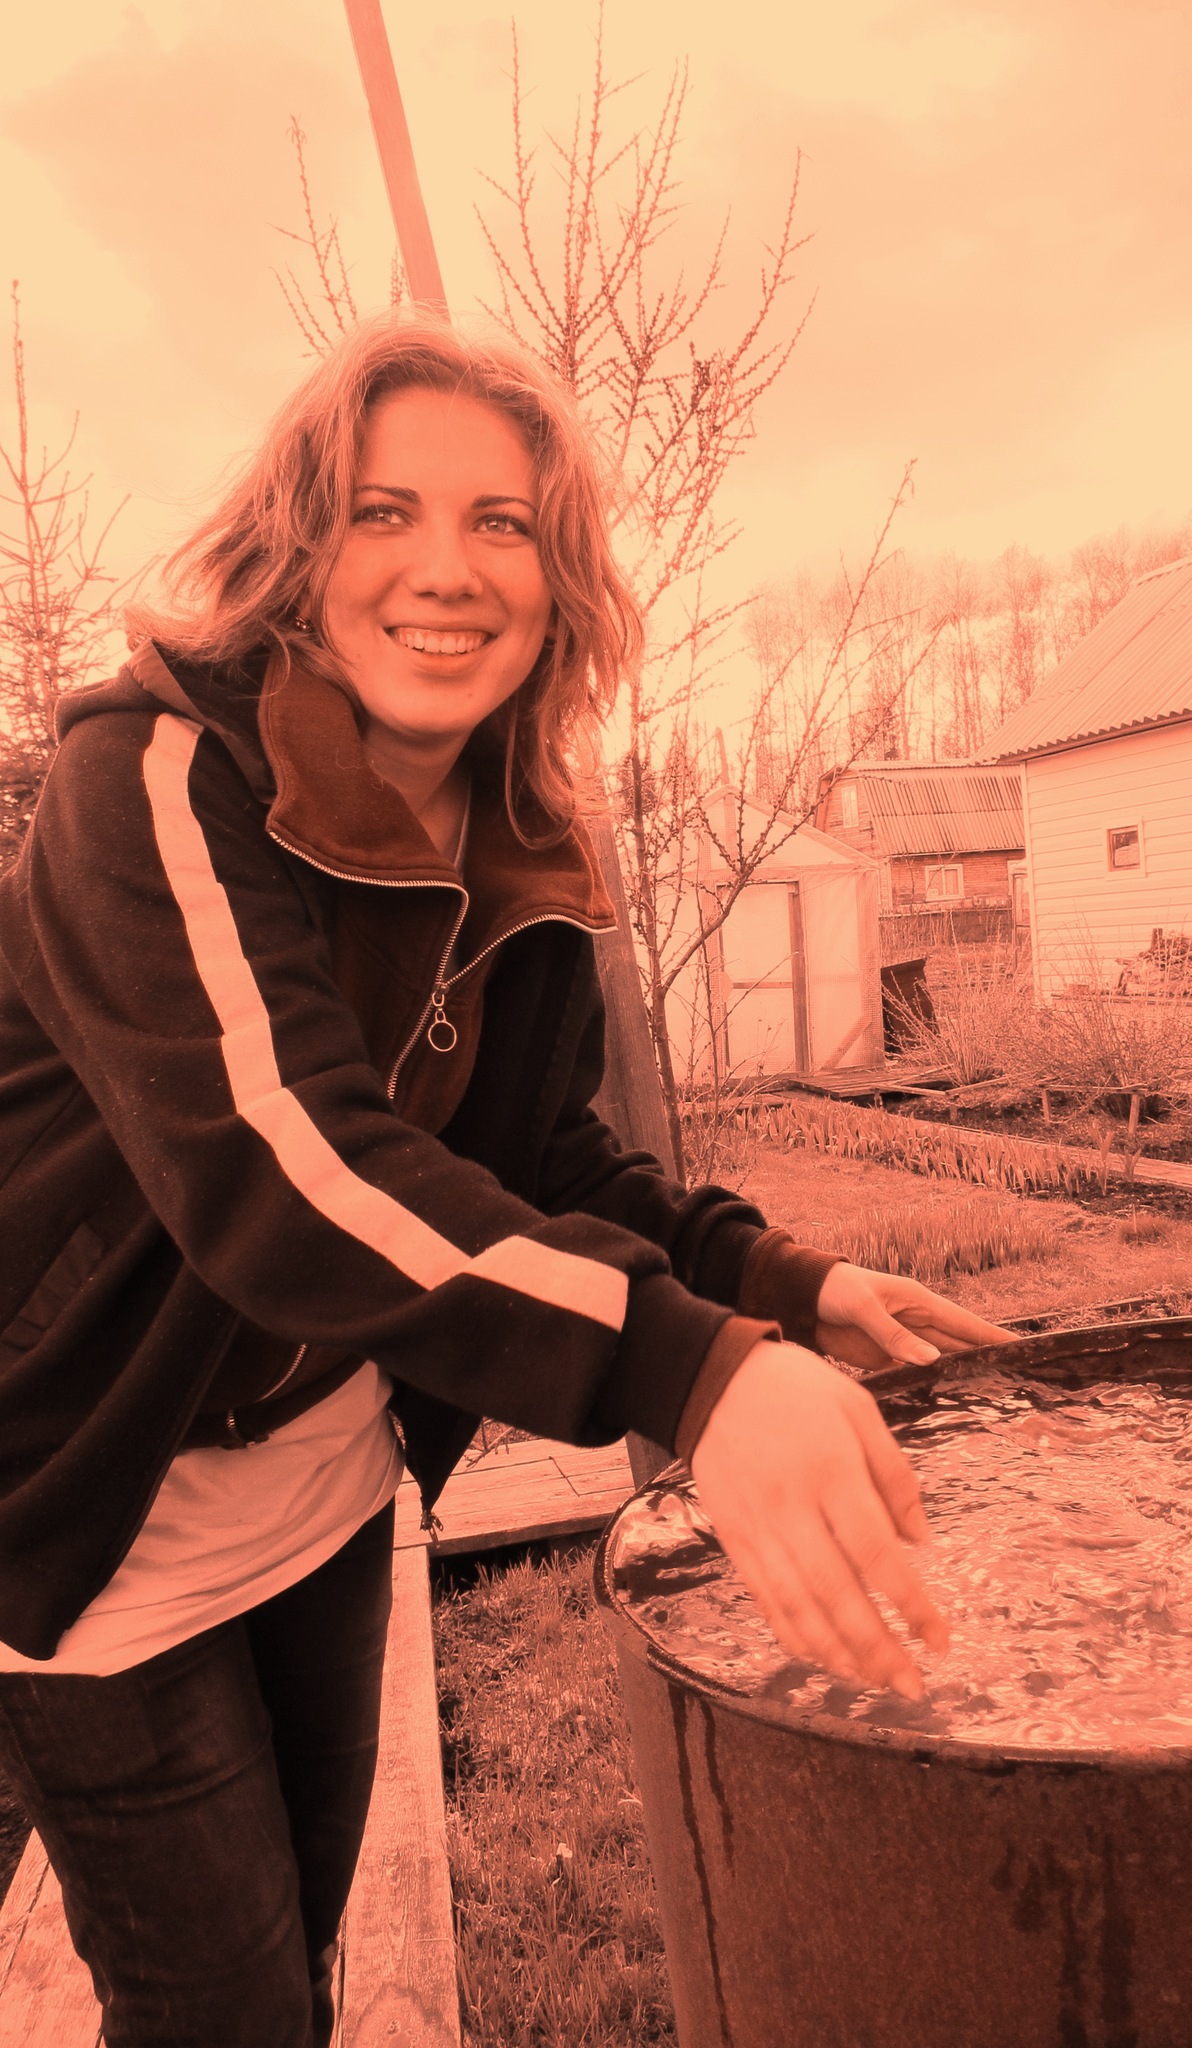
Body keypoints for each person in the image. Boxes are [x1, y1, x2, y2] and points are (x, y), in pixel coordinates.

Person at [0, 316, 1006, 2048]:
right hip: (102, 1504)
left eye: (503, 524)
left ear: (559, 584)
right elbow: (289, 1170)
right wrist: (691, 1369)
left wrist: (783, 1285)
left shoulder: (522, 832)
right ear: (296, 547)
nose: (446, 569)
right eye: (383, 511)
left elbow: (541, 1156)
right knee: (220, 2011)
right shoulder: (151, 780)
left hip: (320, 1485)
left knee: (298, 1956)